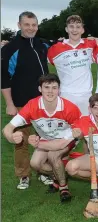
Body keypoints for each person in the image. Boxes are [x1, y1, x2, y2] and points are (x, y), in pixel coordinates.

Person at [2, 74, 81, 202]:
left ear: (59, 90)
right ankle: (59, 175)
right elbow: (7, 128)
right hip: (46, 139)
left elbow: (78, 131)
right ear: (40, 89)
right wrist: (12, 137)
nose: (50, 91)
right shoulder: (32, 105)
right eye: (47, 87)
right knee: (35, 164)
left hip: (66, 138)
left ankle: (63, 187)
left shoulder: (69, 107)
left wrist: (71, 137)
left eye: (54, 88)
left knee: (53, 156)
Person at [1, 11, 53, 189]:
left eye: (34, 25)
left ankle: (43, 172)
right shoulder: (9, 48)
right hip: (21, 103)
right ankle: (23, 175)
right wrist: (9, 104)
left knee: (44, 139)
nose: (31, 28)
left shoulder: (42, 44)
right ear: (19, 25)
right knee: (21, 140)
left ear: (37, 26)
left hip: (44, 104)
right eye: (27, 24)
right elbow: (4, 78)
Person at [47, 15, 97, 116]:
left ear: (82, 30)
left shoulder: (90, 45)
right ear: (66, 29)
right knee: (67, 128)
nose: (75, 30)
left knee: (86, 128)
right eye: (71, 26)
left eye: (78, 27)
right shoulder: (54, 49)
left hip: (86, 95)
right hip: (66, 95)